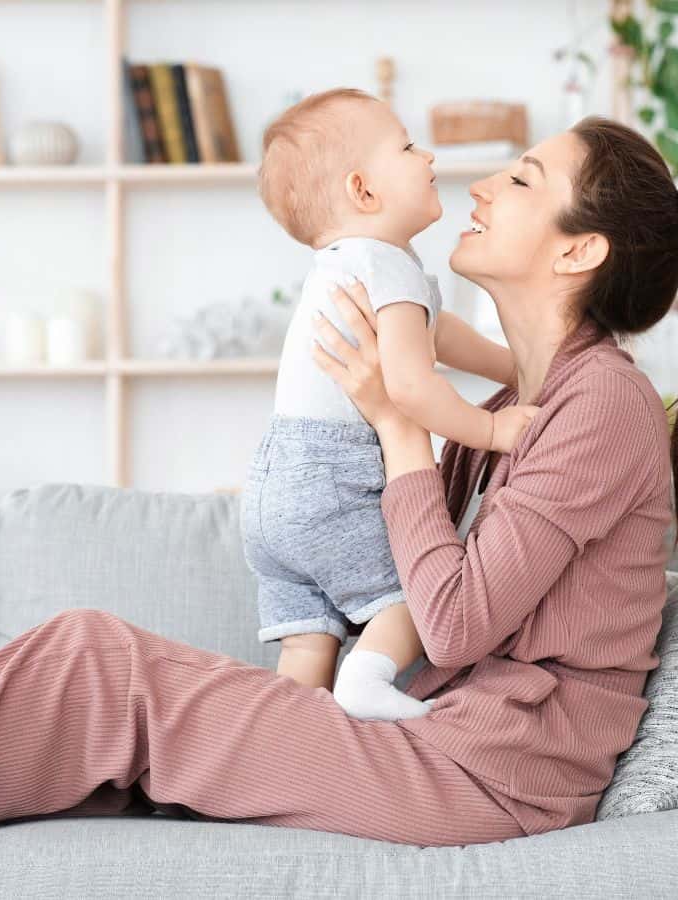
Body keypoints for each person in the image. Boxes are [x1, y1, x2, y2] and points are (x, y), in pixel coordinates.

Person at [0, 116, 678, 847]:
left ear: (579, 250)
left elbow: (459, 623)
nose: (478, 188)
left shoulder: (600, 406)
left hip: (486, 776)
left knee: (93, 661)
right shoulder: (529, 391)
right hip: (446, 741)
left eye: (518, 180)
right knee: (92, 672)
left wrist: (396, 429)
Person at [245, 88, 538, 722]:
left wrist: (513, 366)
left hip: (272, 490)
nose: (427, 154)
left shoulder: (348, 264)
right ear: (364, 191)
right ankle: (367, 682)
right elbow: (408, 385)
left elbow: (439, 333)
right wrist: (490, 428)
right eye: (407, 146)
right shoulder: (387, 265)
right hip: (331, 482)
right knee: (411, 596)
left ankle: (289, 742)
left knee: (306, 636)